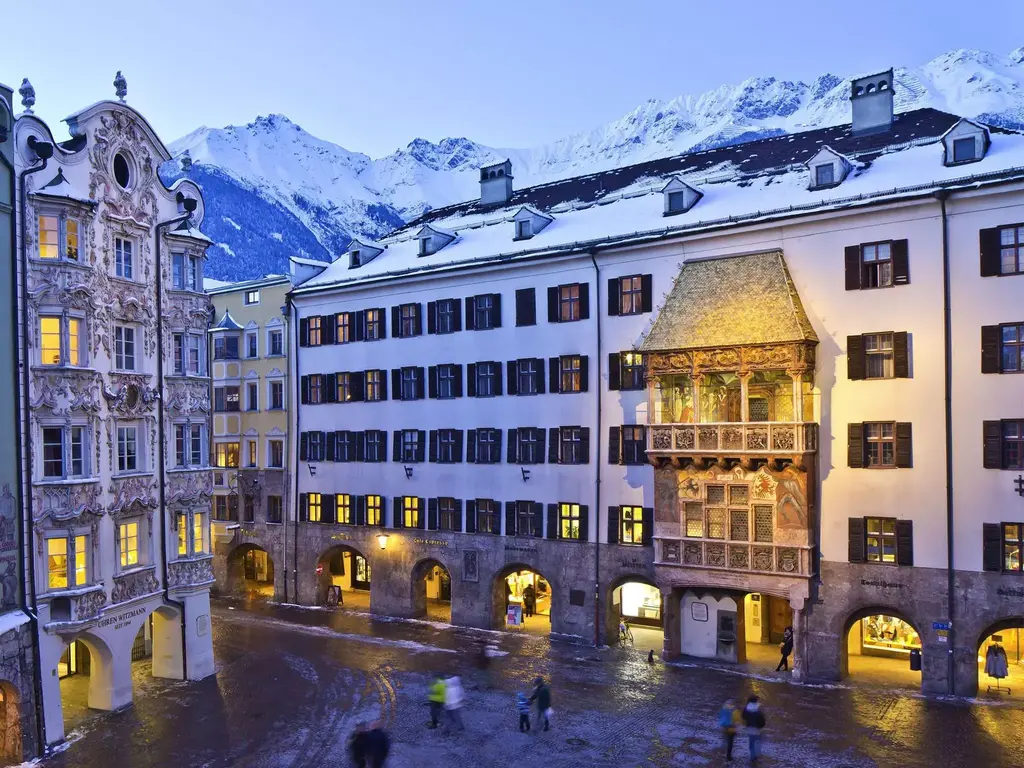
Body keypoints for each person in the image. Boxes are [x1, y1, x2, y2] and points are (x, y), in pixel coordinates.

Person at [741, 695, 766, 762]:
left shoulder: (746, 708)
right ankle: (756, 755)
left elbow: (743, 716)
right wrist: (761, 726)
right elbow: (762, 721)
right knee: (758, 742)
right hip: (757, 729)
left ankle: (752, 756)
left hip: (749, 728)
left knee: (751, 741)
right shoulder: (758, 710)